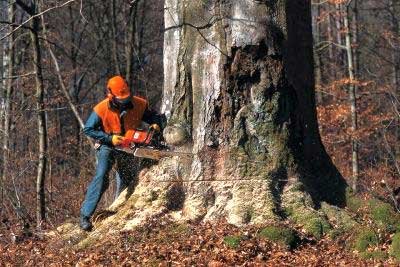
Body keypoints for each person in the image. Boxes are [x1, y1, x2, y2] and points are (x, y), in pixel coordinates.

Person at [79, 75, 164, 231]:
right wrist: (109, 138)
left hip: (130, 146)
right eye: (121, 99)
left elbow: (154, 118)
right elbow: (88, 129)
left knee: (129, 180)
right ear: (111, 95)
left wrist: (156, 125)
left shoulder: (139, 104)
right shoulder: (101, 109)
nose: (124, 101)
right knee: (102, 176)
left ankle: (120, 211)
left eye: (126, 98)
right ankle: (85, 216)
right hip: (108, 146)